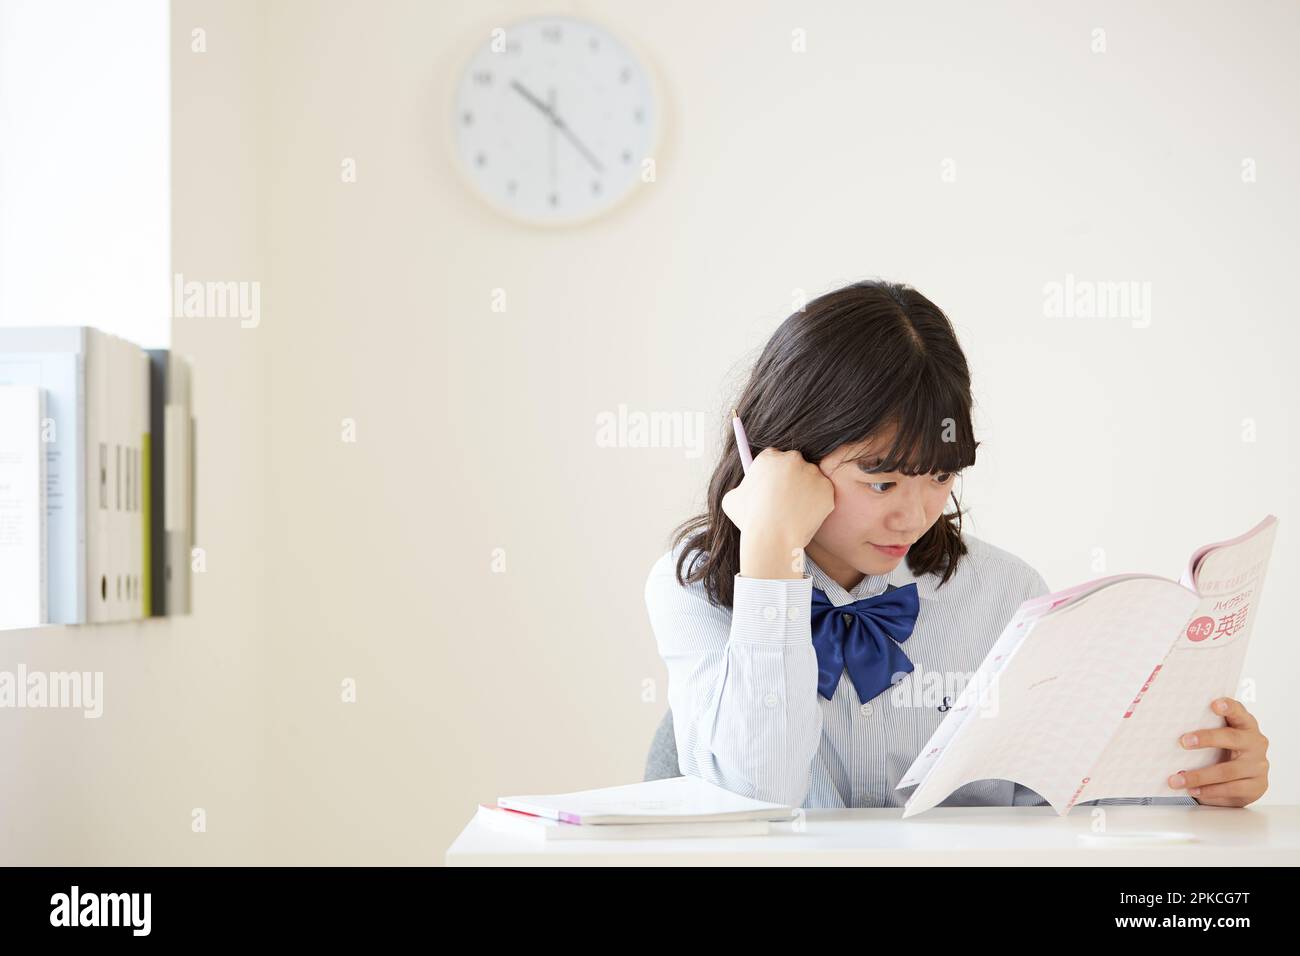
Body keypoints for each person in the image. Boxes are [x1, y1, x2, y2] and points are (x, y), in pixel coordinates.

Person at [644, 279, 1270, 810]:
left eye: (940, 476)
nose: (913, 516)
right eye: (881, 480)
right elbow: (759, 803)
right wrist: (771, 554)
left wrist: (1200, 780)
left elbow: (1062, 801)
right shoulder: (695, 587)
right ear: (783, 455)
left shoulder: (1004, 594)